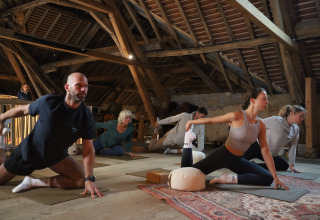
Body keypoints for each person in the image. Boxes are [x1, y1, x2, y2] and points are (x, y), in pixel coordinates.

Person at [0, 72, 103, 198]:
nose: (83, 89)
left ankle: (34, 182)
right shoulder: (49, 102)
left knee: (81, 181)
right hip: (30, 152)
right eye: (78, 85)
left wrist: (89, 179)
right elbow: (23, 110)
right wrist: (2, 117)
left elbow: (88, 149)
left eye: (86, 86)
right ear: (67, 87)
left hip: (56, 157)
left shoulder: (86, 117)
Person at [181, 87, 289, 190]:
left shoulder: (261, 125)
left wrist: (275, 177)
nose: (267, 102)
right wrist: (191, 121)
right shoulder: (237, 116)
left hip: (238, 160)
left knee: (268, 178)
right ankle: (188, 140)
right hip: (222, 155)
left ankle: (228, 178)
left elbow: (265, 150)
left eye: (267, 99)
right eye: (264, 99)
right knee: (187, 174)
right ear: (253, 100)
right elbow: (212, 120)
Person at [243, 105, 306, 172]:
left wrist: (292, 165)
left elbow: (293, 147)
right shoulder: (276, 120)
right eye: (300, 116)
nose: (302, 119)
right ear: (292, 113)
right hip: (256, 147)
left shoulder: (295, 130)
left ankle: (254, 165)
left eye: (303, 117)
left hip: (270, 154)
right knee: (237, 162)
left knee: (284, 166)